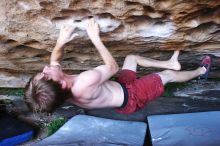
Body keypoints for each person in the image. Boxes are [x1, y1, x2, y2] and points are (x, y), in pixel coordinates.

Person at [24, 18, 212, 114]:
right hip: (133, 96)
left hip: (122, 90)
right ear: (62, 84)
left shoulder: (57, 90)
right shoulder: (84, 81)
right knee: (167, 76)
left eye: (41, 73)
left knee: (131, 58)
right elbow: (112, 67)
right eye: (46, 74)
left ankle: (170, 62)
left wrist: (60, 42)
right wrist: (95, 38)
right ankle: (201, 71)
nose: (46, 69)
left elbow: (54, 61)